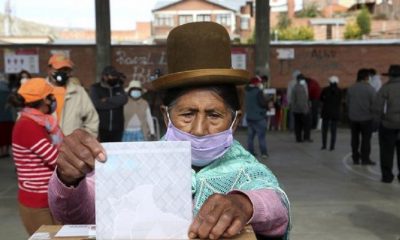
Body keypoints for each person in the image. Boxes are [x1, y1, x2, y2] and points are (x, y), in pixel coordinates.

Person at [48, 22, 290, 240]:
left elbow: (278, 209)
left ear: (235, 121)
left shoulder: (248, 171)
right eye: (187, 114)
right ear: (166, 116)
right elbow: (79, 214)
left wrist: (244, 203)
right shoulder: (138, 164)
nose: (199, 129)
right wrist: (69, 178)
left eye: (214, 115)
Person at [9, 78, 62, 235]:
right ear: (45, 100)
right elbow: (56, 159)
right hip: (37, 202)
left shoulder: (43, 123)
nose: (54, 99)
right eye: (51, 95)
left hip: (52, 197)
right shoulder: (27, 125)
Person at [47, 54, 99, 137]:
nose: (62, 73)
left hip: (72, 147)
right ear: (49, 69)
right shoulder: (39, 90)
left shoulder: (79, 92)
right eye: (58, 69)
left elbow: (92, 120)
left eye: (66, 70)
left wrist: (84, 140)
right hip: (44, 146)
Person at [372, 65, 400, 183]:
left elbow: (377, 108)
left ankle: (387, 176)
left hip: (388, 125)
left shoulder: (385, 88)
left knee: (386, 152)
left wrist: (376, 123)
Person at [89, 66, 128, 142]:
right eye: (112, 76)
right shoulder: (95, 88)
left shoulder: (119, 87)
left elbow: (124, 100)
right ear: (105, 76)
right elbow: (97, 104)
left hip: (118, 128)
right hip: (101, 128)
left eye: (115, 76)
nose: (114, 78)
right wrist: (116, 103)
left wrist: (107, 100)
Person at [346, 69, 376, 165]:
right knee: (366, 140)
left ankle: (355, 158)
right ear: (366, 77)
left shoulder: (351, 88)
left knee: (354, 139)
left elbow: (347, 103)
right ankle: (365, 159)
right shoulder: (370, 89)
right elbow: (374, 104)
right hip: (366, 118)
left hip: (353, 118)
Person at [245, 76, 269, 158]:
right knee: (261, 137)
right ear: (256, 83)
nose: (260, 83)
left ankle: (251, 152)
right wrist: (267, 106)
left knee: (250, 137)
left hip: (249, 117)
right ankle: (264, 153)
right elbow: (262, 103)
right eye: (259, 82)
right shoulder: (258, 92)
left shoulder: (247, 91)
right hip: (259, 117)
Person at [320, 76, 342, 151]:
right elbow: (340, 100)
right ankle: (332, 146)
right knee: (333, 130)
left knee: (324, 130)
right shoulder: (339, 91)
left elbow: (321, 99)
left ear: (329, 82)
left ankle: (324, 145)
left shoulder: (325, 90)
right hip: (335, 112)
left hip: (326, 112)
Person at [291, 74, 312, 143]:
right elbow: (302, 101)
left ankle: (298, 138)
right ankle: (306, 137)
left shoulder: (294, 87)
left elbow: (293, 99)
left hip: (295, 109)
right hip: (302, 110)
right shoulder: (301, 88)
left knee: (298, 125)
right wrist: (305, 110)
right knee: (306, 124)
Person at [0, 73, 14, 157]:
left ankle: (2, 152)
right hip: (9, 117)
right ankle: (6, 151)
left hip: (1, 118)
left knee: (2, 136)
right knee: (7, 134)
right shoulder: (9, 90)